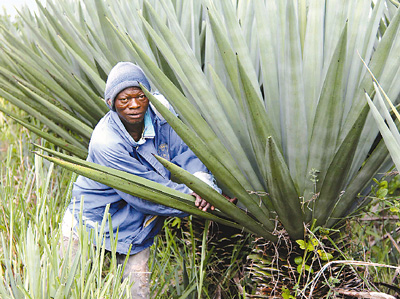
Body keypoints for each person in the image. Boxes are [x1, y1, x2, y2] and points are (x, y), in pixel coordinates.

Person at [61, 62, 222, 298]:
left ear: (148, 96)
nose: (134, 105)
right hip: (90, 221)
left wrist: (203, 184)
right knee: (69, 288)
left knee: (137, 293)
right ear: (111, 103)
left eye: (140, 96)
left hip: (135, 229)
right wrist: (193, 199)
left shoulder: (161, 117)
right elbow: (143, 192)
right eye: (124, 99)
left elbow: (185, 151)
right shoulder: (106, 142)